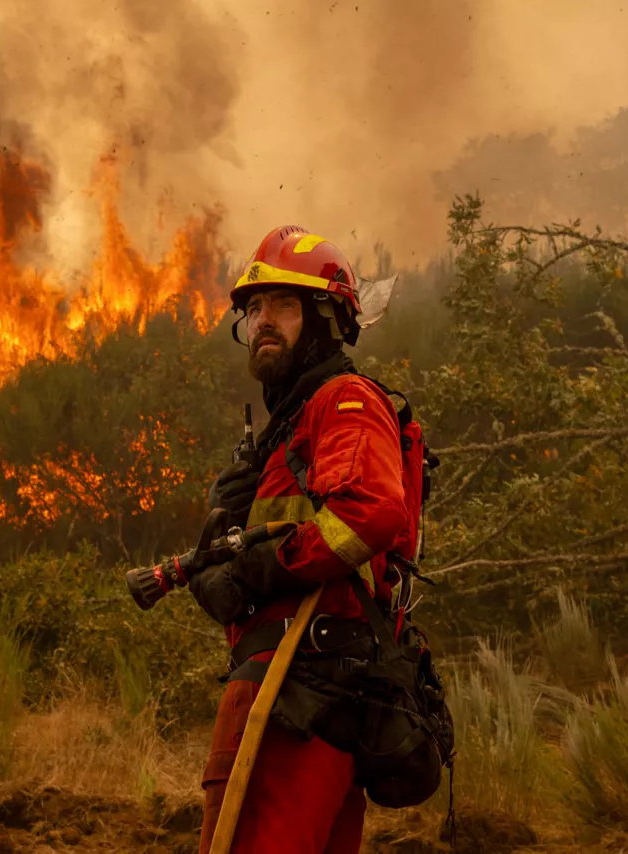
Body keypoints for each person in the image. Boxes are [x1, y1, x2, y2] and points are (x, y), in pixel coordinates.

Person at [189, 225, 411, 854]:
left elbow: (371, 512)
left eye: (284, 305)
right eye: (255, 308)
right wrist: (221, 563)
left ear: (325, 320)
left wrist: (266, 568)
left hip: (302, 692)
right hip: (293, 688)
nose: (264, 320)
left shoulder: (341, 400)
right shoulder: (285, 434)